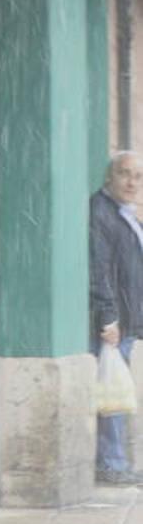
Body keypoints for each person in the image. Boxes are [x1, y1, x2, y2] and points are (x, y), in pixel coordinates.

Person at [89, 150, 143, 484]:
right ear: (110, 176)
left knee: (116, 392)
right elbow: (99, 268)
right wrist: (108, 317)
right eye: (125, 174)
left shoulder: (124, 213)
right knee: (112, 394)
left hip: (126, 319)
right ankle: (111, 464)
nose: (132, 182)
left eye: (138, 176)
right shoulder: (102, 213)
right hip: (113, 323)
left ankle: (115, 460)